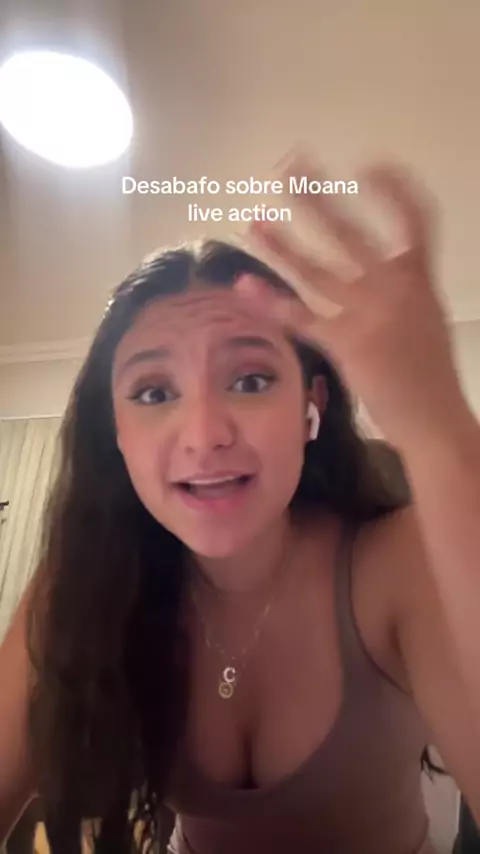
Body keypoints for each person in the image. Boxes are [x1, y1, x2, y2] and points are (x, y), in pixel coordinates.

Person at [1, 152, 480, 854]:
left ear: (311, 407)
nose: (204, 435)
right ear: (118, 436)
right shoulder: (81, 590)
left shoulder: (397, 565)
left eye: (250, 380)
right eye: (154, 393)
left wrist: (441, 431)